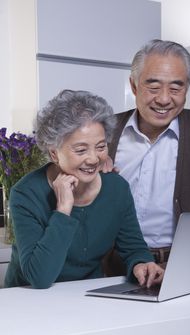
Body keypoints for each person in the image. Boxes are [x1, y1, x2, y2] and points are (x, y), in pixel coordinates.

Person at [4, 89, 164, 289]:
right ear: (54, 153)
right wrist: (63, 210)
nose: (93, 159)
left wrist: (142, 264)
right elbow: (39, 277)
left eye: (101, 146)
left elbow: (134, 248)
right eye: (81, 150)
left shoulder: (117, 188)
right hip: (27, 300)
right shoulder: (26, 194)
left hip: (86, 296)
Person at [103, 39, 190, 283]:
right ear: (133, 85)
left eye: (176, 88)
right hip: (114, 265)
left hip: (181, 263)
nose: (164, 99)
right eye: (153, 87)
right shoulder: (107, 130)